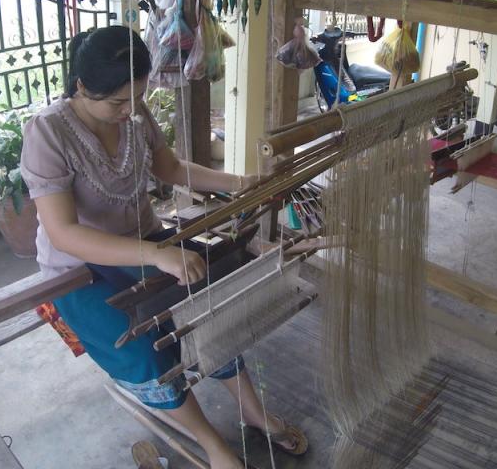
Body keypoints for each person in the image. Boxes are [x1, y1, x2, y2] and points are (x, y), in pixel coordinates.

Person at [20, 26, 306, 469]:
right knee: (139, 349)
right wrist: (155, 255)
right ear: (81, 87)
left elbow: (171, 168)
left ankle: (251, 408)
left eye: (136, 98)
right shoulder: (48, 133)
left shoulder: (135, 115)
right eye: (116, 102)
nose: (129, 110)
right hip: (78, 268)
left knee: (211, 304)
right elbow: (63, 233)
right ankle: (211, 443)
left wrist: (241, 184)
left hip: (145, 240)